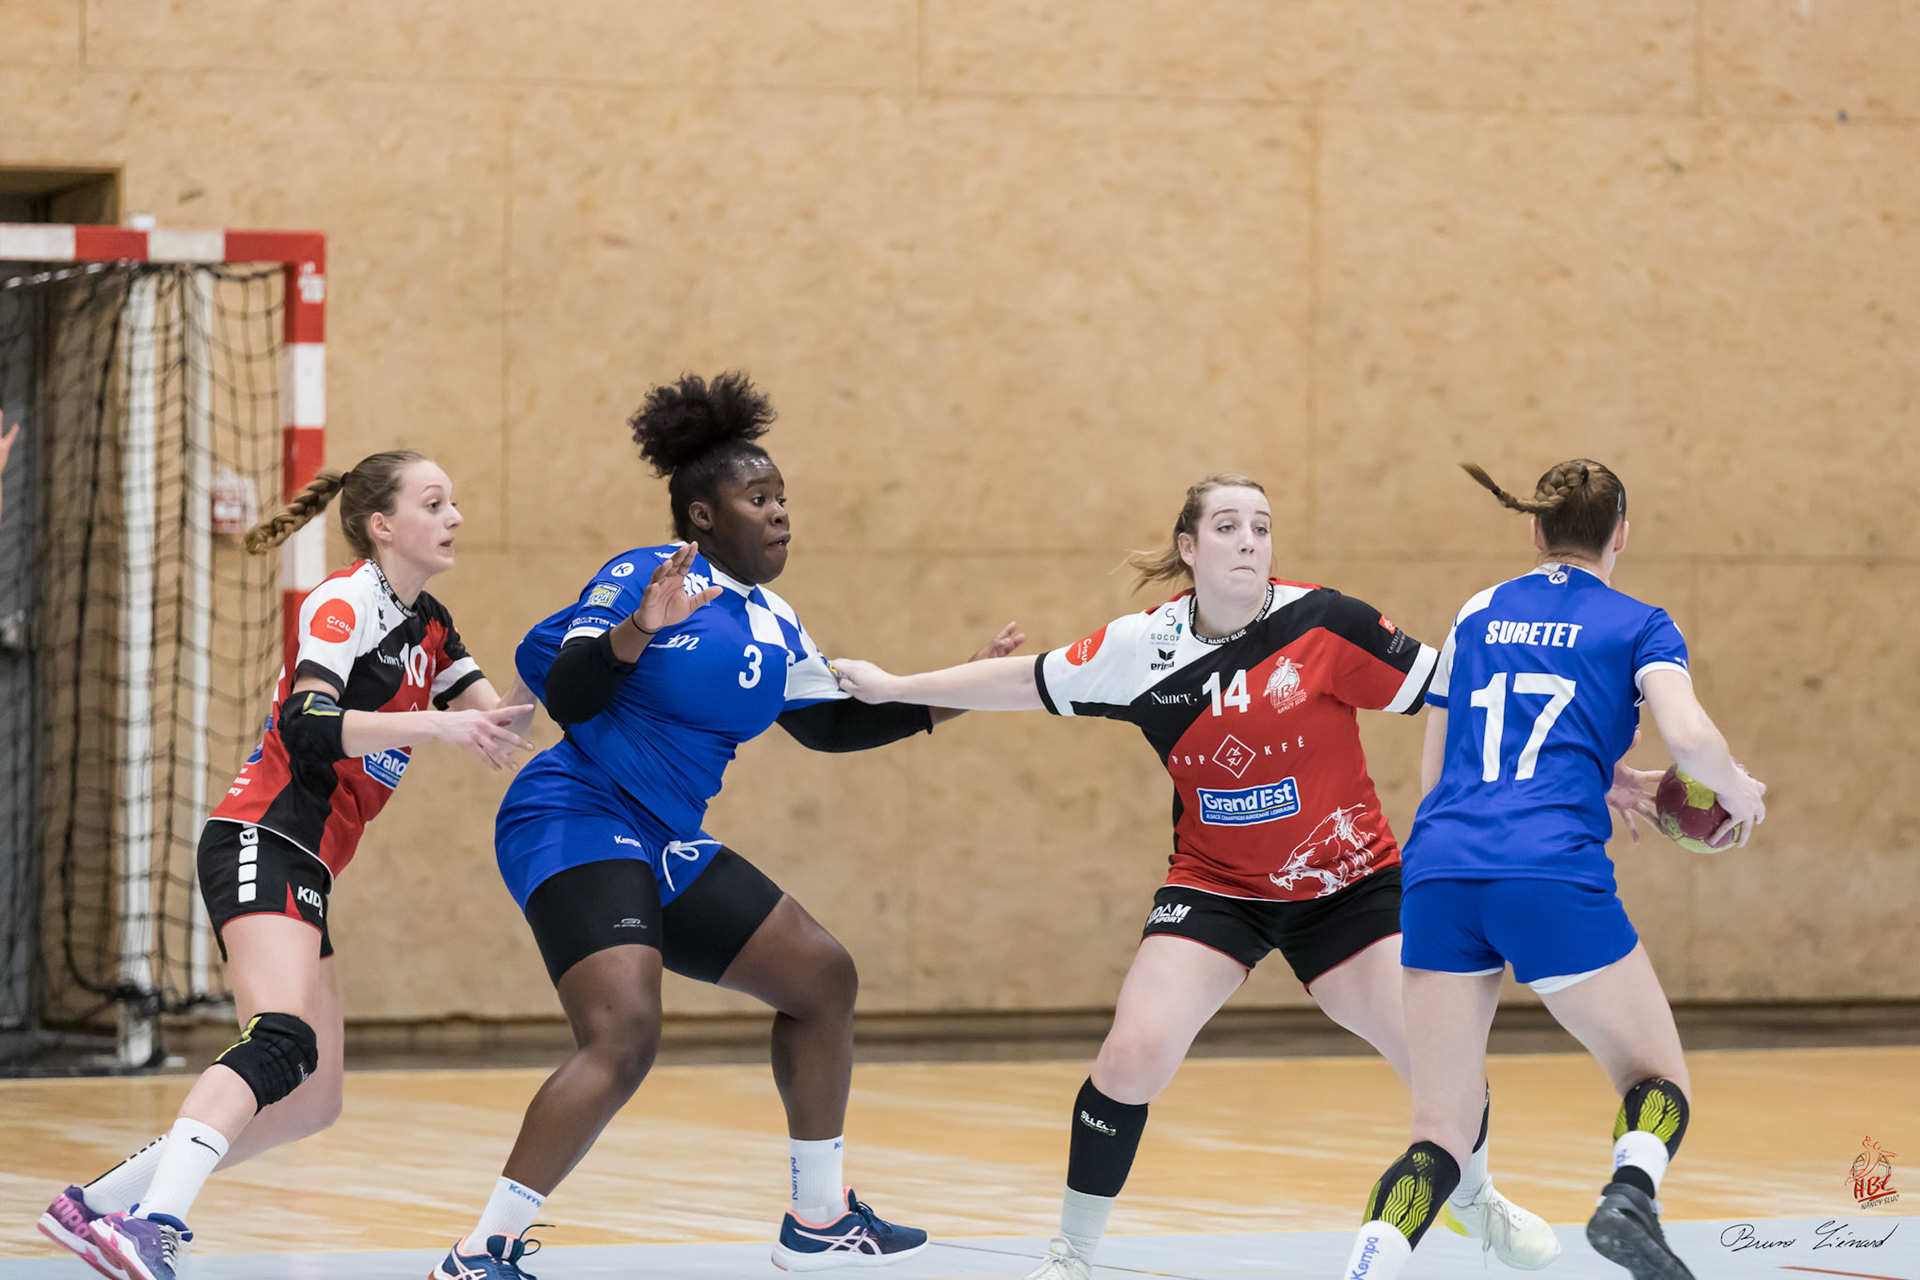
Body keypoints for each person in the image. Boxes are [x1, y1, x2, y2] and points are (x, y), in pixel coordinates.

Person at [833, 474, 1558, 1280]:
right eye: (1228, 526)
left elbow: (1457, 689)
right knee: (1133, 1054)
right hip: (1218, 887)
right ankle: (1071, 1256)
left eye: (1262, 527)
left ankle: (1476, 1197)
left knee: (1441, 1061)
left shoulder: (1326, 623)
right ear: (1189, 547)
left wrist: (1590, 771)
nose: (1249, 540)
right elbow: (1025, 679)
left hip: (1347, 887)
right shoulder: (1141, 649)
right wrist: (895, 687)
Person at [434, 372, 1023, 1279]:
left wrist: (957, 692)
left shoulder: (775, 622)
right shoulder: (646, 575)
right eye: (759, 498)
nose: (780, 513)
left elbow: (829, 727)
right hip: (578, 808)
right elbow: (574, 692)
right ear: (704, 517)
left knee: (821, 977)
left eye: (783, 497)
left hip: (665, 839)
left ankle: (819, 1219)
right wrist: (639, 627)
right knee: (625, 1033)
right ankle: (481, 1253)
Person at [37, 451, 536, 1280]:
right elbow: (308, 723)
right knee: (279, 1039)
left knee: (311, 1097)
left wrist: (590, 644)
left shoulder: (431, 625)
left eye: (454, 501)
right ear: (382, 525)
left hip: (308, 861)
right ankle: (151, 1224)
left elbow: (505, 728)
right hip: (261, 837)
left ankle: (91, 1208)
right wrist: (432, 726)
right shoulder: (345, 601)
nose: (454, 517)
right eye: (434, 502)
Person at [1337, 460, 1766, 1280]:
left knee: (1438, 1138)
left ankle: (1364, 1270)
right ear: (1621, 536)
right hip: (1548, 875)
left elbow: (1442, 772)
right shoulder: (1641, 624)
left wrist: (1600, 776)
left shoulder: (1476, 611)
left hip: (1439, 872)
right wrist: (1738, 793)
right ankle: (1629, 1197)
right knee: (1655, 1079)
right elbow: (1690, 738)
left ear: (1536, 529)